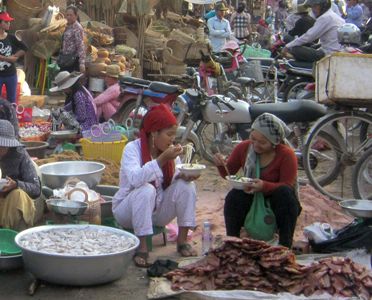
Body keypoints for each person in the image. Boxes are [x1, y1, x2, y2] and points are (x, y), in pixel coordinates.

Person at [112, 104, 199, 267]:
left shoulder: (170, 152)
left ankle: (182, 241)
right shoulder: (132, 149)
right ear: (154, 133)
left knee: (186, 186)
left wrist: (184, 176)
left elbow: (170, 182)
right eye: (169, 134)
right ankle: (142, 248)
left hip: (157, 211)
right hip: (127, 212)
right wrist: (161, 161)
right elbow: (135, 180)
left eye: (174, 134)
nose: (173, 139)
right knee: (146, 189)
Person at [213, 113, 301, 248]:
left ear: (273, 143)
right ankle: (233, 244)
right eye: (253, 139)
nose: (256, 144)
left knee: (285, 195)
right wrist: (220, 164)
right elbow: (229, 173)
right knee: (233, 197)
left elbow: (287, 185)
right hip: (251, 195)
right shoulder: (244, 148)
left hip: (275, 199)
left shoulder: (286, 154)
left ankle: (285, 245)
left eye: (262, 142)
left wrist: (264, 186)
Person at [0, 120, 41, 231]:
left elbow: (36, 189)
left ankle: (11, 233)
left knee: (17, 195)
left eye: (2, 146)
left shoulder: (20, 155)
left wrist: (16, 185)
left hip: (15, 204)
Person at [0, 12, 27, 104]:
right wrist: (8, 59)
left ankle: (11, 118)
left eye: (9, 22)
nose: (9, 24)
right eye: (6, 22)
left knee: (12, 101)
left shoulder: (11, 37)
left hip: (11, 75)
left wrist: (15, 56)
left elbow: (24, 48)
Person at [59, 5, 86, 73]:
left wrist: (82, 63)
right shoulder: (68, 26)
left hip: (73, 61)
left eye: (71, 15)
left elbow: (80, 46)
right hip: (66, 59)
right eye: (67, 15)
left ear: (76, 16)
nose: (68, 17)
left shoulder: (77, 28)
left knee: (70, 82)